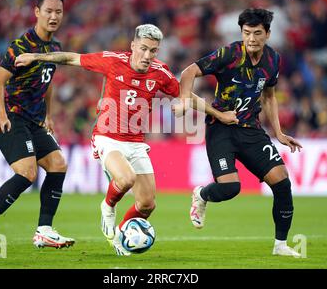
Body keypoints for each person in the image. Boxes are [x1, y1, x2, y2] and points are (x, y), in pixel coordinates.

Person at [15, 24, 231, 256]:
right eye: (144, 49)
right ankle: (107, 208)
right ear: (133, 46)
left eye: (153, 51)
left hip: (136, 142)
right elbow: (71, 58)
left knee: (147, 204)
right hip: (107, 138)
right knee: (126, 179)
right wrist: (35, 56)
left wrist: (217, 114)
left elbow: (185, 94)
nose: (148, 55)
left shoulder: (160, 72)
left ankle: (119, 235)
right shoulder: (113, 60)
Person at [176, 8, 303, 257]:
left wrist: (278, 132)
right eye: (247, 33)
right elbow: (188, 72)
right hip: (220, 128)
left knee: (283, 183)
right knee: (230, 189)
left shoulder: (273, 60)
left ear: (267, 34)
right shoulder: (230, 54)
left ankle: (280, 245)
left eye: (257, 33)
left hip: (250, 130)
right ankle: (201, 194)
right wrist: (183, 99)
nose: (251, 39)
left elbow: (268, 96)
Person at [0, 0, 75, 253]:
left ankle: (44, 231)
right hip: (11, 116)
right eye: (48, 11)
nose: (53, 16)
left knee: (58, 164)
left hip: (35, 120)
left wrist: (48, 114)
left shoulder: (55, 48)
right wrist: (2, 114)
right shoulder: (21, 45)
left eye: (58, 12)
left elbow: (47, 83)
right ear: (37, 12)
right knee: (27, 173)